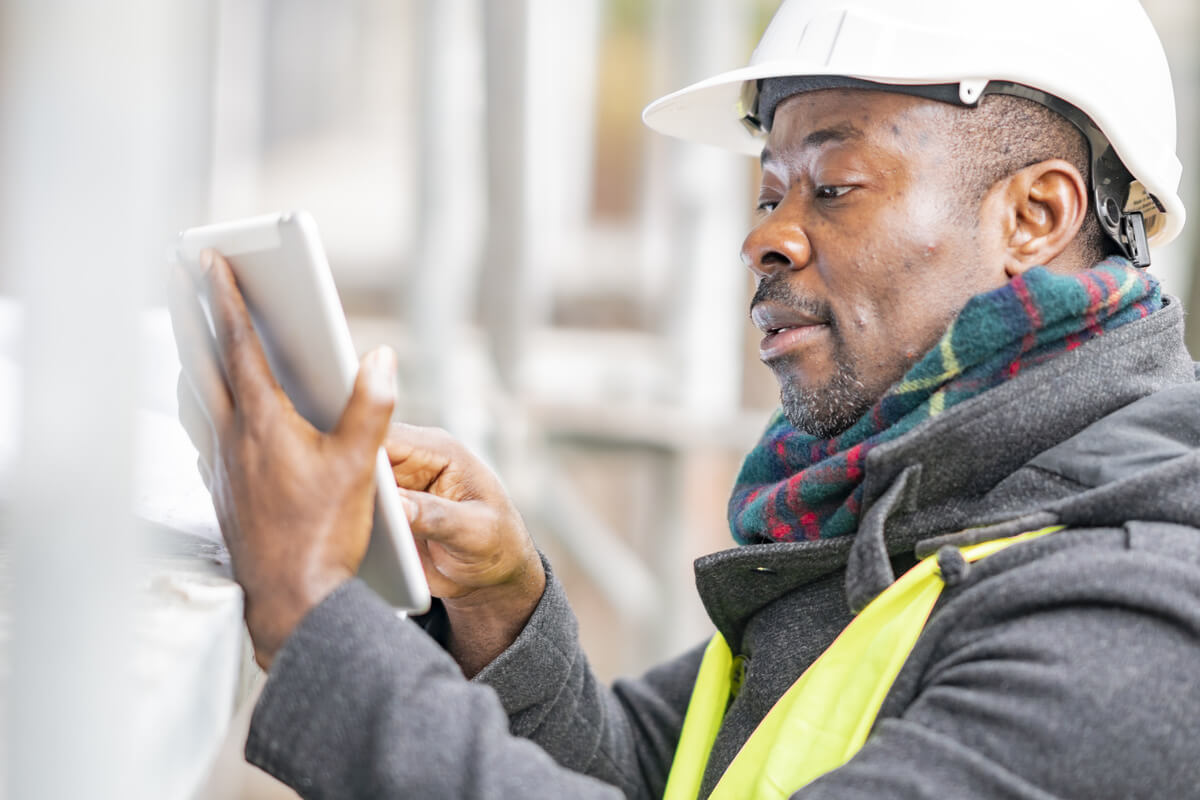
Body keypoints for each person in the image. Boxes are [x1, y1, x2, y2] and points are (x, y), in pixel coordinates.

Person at [169, 0, 1200, 797]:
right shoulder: (912, 516)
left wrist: (313, 616)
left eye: (831, 186)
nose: (768, 236)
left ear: (1035, 214)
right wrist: (502, 609)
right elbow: (654, 774)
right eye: (768, 191)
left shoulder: (1127, 620)